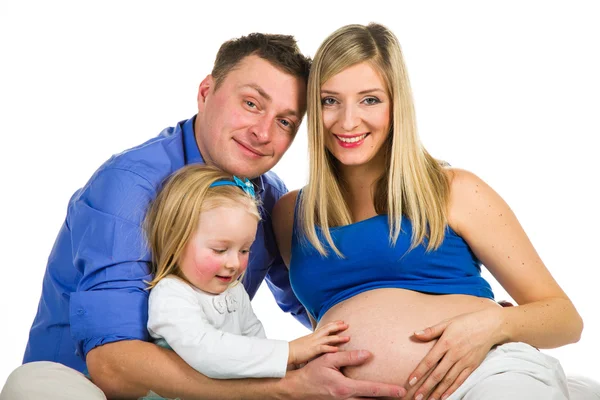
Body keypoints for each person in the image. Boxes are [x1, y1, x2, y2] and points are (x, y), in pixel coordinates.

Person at [0, 32, 406, 400]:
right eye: (251, 104)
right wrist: (284, 387)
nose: (264, 133)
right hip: (85, 386)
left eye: (285, 121)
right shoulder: (127, 188)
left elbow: (318, 298)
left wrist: (451, 322)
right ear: (206, 92)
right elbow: (113, 368)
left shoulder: (269, 199)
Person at [273, 23, 599, 400]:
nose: (348, 121)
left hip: (484, 375)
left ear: (397, 106)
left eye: (370, 99)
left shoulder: (453, 191)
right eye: (330, 100)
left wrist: (493, 324)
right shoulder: (290, 215)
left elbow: (565, 320)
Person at [144, 164, 349, 384]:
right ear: (176, 241)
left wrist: (288, 368)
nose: (234, 263)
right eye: (220, 250)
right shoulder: (171, 294)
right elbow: (207, 351)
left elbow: (254, 338)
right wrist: (288, 352)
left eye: (245, 250)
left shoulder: (234, 291)